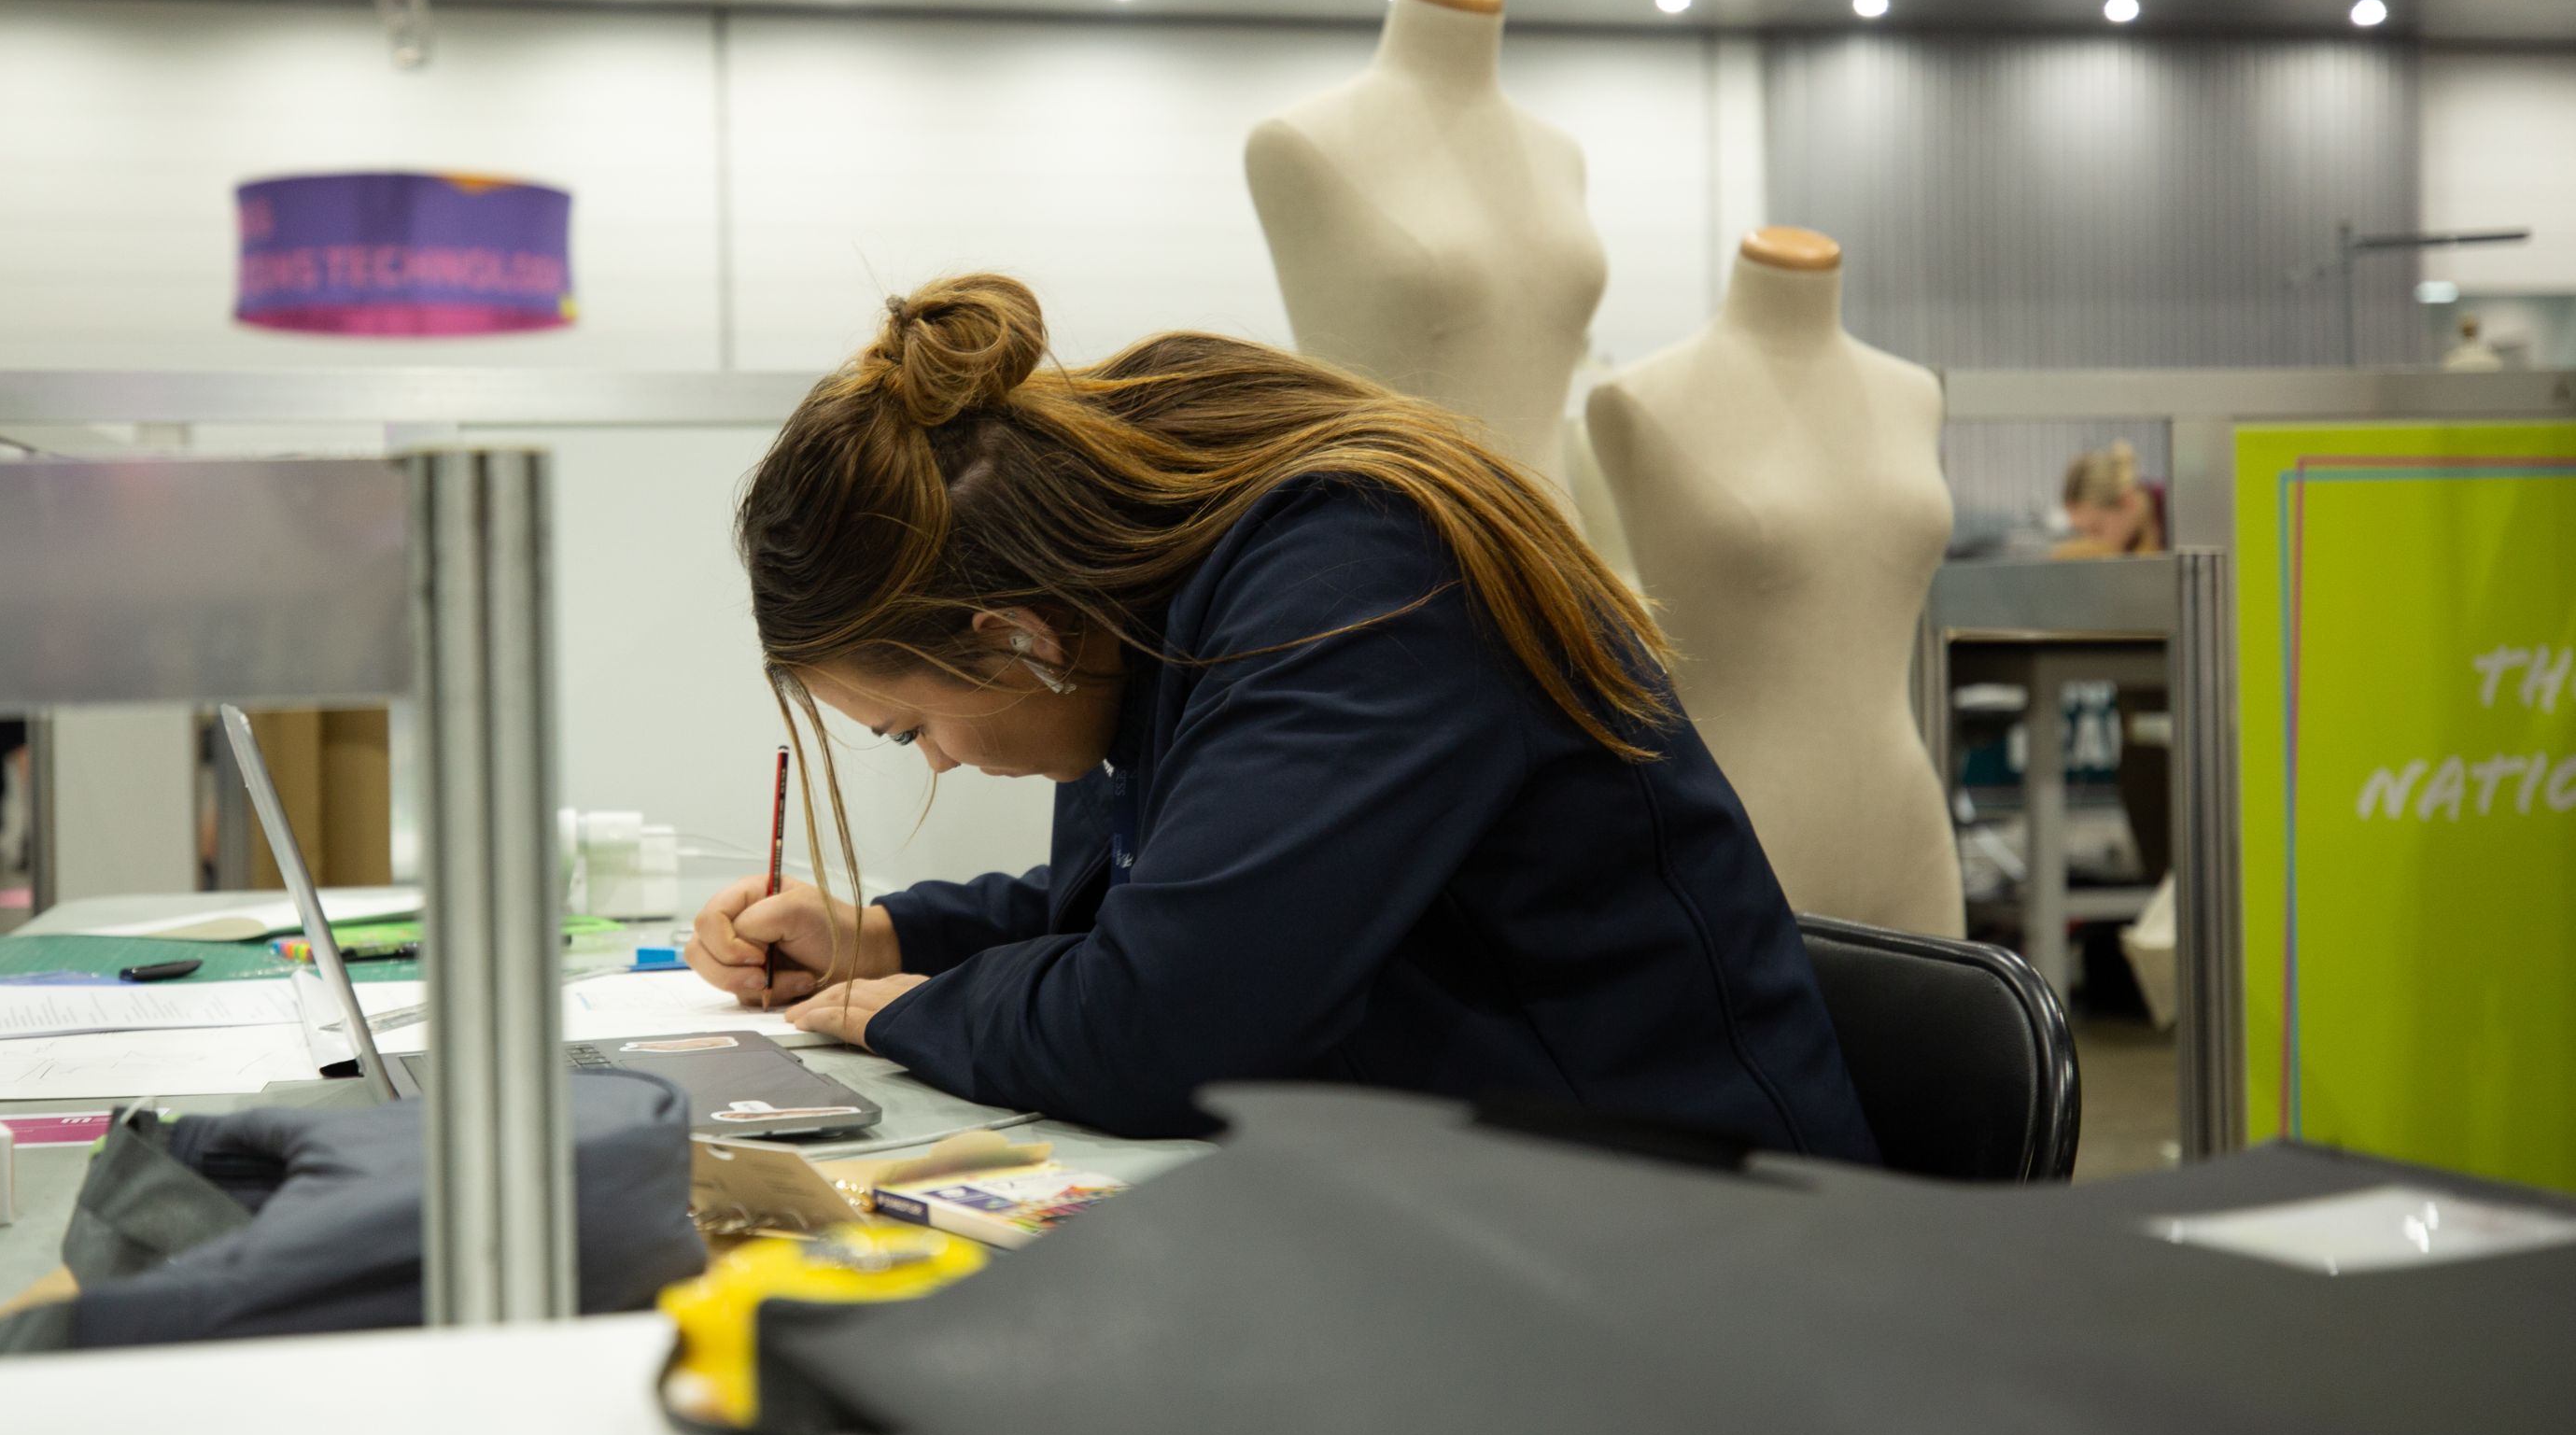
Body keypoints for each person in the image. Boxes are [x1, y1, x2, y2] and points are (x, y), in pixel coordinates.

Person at [687, 273, 1879, 1156]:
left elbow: (1163, 1031)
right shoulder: (1144, 581)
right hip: (1491, 1186)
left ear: (1017, 637)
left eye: (912, 729)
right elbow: (1156, 906)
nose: (940, 760)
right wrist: (890, 937)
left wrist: (911, 1009)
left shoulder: (1363, 581)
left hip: (1687, 1227)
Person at [2056, 440, 2169, 556]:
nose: (2091, 542)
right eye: (2080, 531)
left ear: (2127, 502)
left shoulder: (2176, 514)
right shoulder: (2127, 539)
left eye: (2096, 529)